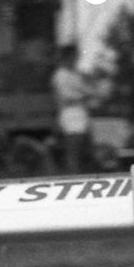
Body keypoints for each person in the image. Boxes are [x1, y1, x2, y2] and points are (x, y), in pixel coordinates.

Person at [51, 44, 91, 173]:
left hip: (81, 112)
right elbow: (65, 96)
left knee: (82, 150)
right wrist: (83, 96)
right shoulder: (60, 75)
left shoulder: (76, 75)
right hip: (70, 113)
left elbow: (87, 90)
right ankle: (73, 176)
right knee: (72, 149)